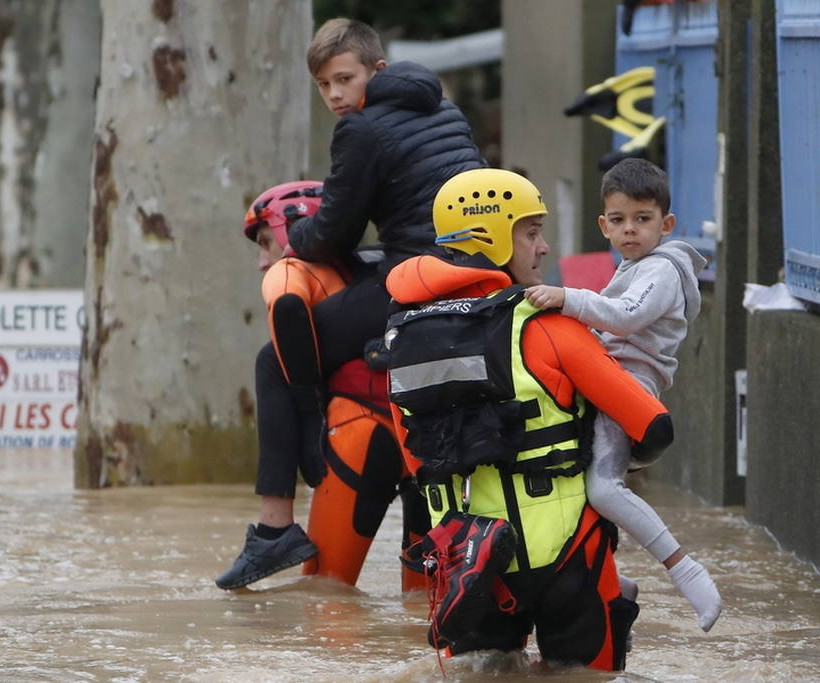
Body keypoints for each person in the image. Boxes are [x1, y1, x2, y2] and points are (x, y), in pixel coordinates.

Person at [215, 17, 484, 589]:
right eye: (324, 85)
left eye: (344, 79)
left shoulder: (361, 130)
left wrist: (297, 240)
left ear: (375, 72)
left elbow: (334, 230)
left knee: (272, 359)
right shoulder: (445, 108)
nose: (336, 95)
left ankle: (275, 526)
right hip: (480, 280)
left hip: (417, 284)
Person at [384, 168, 674, 670]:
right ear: (492, 239)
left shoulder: (402, 339)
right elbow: (650, 426)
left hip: (470, 565)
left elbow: (415, 462)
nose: (543, 248)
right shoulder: (547, 325)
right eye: (531, 232)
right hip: (568, 558)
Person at [523, 158, 721, 632]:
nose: (629, 229)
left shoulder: (662, 270)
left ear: (666, 224)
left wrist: (565, 297)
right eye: (618, 220)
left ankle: (690, 576)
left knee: (603, 487)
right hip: (600, 382)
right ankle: (614, 584)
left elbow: (625, 316)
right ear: (603, 225)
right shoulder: (633, 266)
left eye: (642, 219)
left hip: (626, 390)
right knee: (570, 492)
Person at [216, 181, 428, 591]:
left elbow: (287, 306)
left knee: (327, 597)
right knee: (429, 610)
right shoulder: (396, 268)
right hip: (430, 439)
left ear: (292, 227)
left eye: (265, 242)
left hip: (356, 433)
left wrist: (309, 408)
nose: (263, 260)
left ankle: (273, 529)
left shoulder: (293, 269)